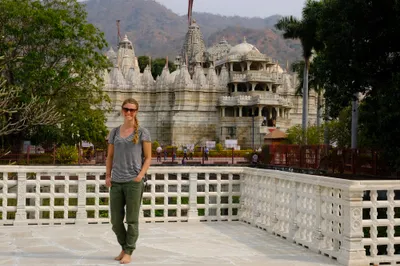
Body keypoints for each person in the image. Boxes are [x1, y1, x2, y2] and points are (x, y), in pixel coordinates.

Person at [106, 98, 152, 264]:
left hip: (133, 181)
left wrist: (139, 176)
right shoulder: (114, 132)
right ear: (122, 110)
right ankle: (124, 247)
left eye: (132, 110)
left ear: (136, 112)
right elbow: (110, 156)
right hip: (116, 181)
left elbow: (148, 158)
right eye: (126, 109)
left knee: (132, 220)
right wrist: (108, 175)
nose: (129, 112)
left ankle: (128, 251)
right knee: (115, 221)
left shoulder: (143, 132)